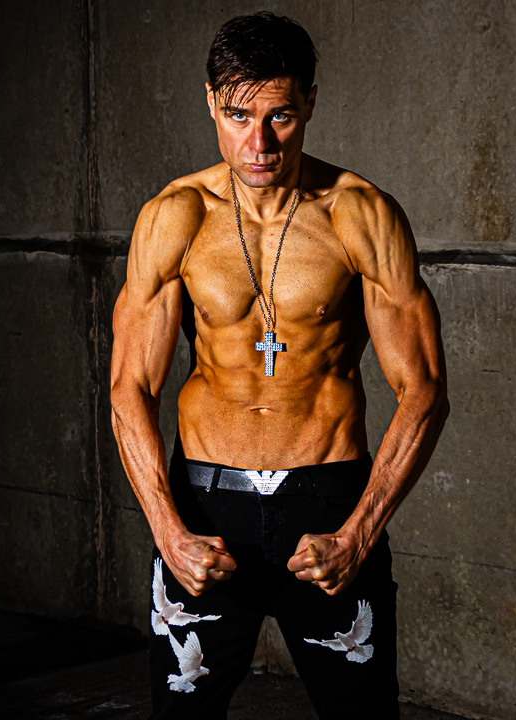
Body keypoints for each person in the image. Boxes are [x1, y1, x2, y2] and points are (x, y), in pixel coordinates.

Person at [109, 11, 449, 719]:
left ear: (311, 103)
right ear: (211, 101)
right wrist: (167, 531)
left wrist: (359, 533)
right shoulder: (174, 216)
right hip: (205, 505)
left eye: (280, 117)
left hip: (327, 504)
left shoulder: (361, 214)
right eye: (238, 116)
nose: (259, 143)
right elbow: (129, 386)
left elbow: (423, 390)